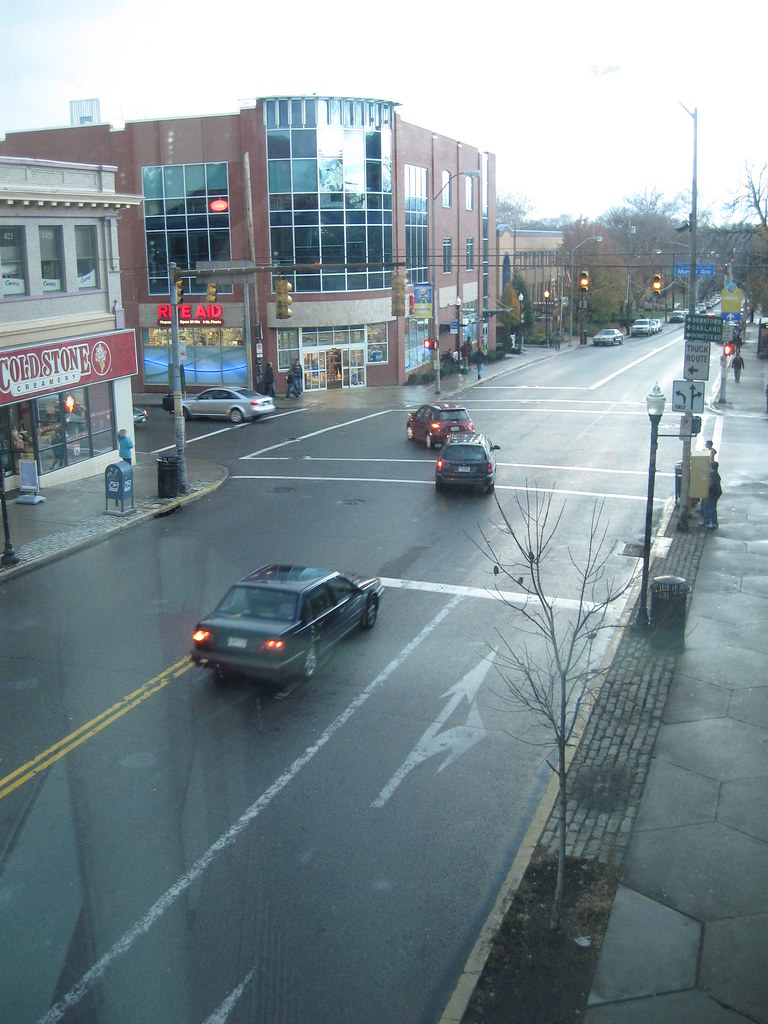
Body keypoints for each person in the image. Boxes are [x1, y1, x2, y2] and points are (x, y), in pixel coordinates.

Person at [699, 461, 722, 529]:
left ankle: (713, 523)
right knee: (706, 506)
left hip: (713, 494)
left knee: (711, 508)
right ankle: (707, 520)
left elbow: (710, 485)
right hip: (712, 493)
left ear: (712, 468)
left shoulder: (713, 476)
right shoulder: (714, 474)